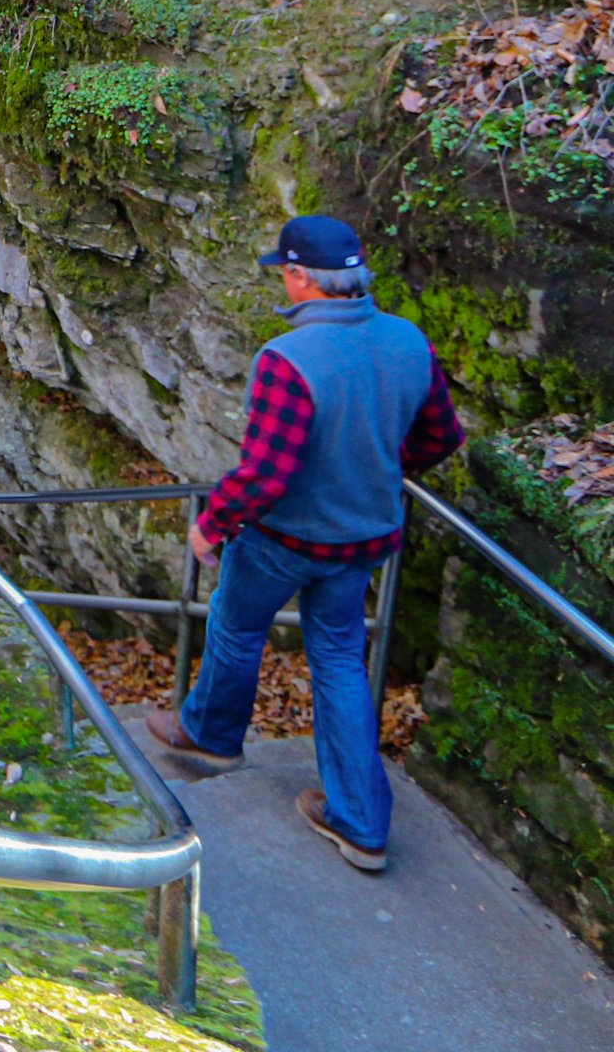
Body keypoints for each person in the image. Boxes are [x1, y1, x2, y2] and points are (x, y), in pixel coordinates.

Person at [145, 215, 464, 873]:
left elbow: (267, 473)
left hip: (285, 538)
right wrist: (374, 466)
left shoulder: (288, 361)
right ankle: (361, 823)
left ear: (298, 276)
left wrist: (212, 523)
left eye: (283, 272)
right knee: (342, 660)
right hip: (366, 537)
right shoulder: (408, 341)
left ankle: (210, 737)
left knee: (236, 629)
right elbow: (441, 438)